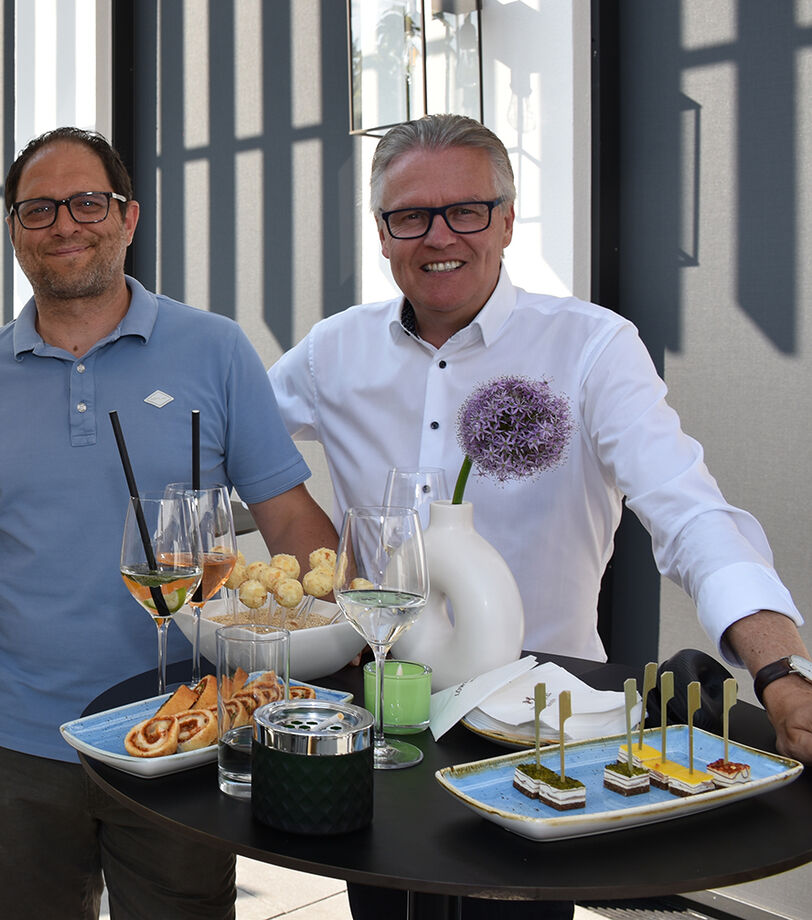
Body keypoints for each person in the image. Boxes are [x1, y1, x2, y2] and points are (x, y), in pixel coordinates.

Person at [268, 114, 812, 918]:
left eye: (467, 210)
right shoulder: (330, 352)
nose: (438, 235)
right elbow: (230, 440)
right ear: (382, 233)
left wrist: (780, 670)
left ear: (509, 220)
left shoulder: (591, 349)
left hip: (541, 724)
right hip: (387, 720)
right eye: (409, 215)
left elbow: (689, 510)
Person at [0, 127, 336, 920]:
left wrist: (346, 647)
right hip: (16, 741)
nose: (65, 225)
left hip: (183, 722)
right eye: (37, 209)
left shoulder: (215, 350)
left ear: (129, 216)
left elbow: (289, 521)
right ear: (12, 230)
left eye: (88, 202)